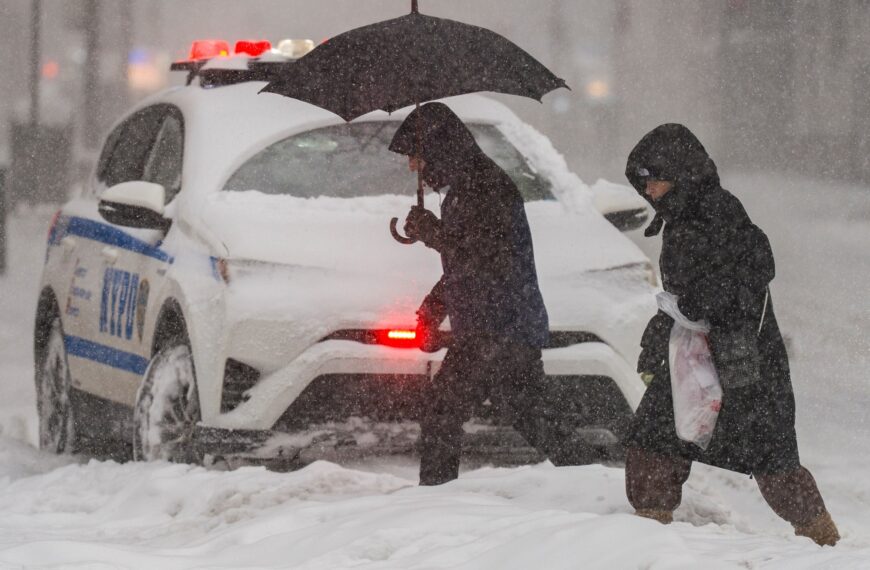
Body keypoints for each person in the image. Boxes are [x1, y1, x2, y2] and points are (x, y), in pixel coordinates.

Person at [623, 123, 839, 546]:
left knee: (774, 464)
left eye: (656, 182)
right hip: (697, 358)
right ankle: (645, 543)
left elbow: (756, 266)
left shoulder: (718, 212)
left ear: (681, 175)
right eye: (645, 184)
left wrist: (702, 301)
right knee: (652, 444)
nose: (650, 193)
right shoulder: (684, 215)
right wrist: (663, 329)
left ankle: (826, 545)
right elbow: (685, 293)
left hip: (744, 363)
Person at [389, 102, 592, 485]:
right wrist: (433, 306)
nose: (412, 166)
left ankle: (435, 500)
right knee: (531, 416)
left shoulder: (486, 187)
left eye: (416, 155)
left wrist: (434, 234)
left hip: (500, 327)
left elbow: (487, 257)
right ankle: (593, 480)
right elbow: (465, 262)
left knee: (442, 411)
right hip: (497, 326)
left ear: (438, 149)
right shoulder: (467, 188)